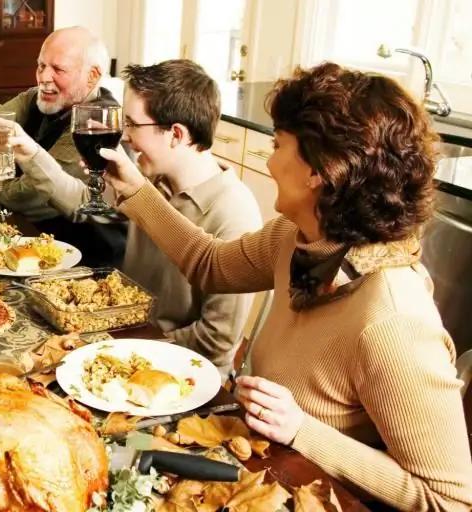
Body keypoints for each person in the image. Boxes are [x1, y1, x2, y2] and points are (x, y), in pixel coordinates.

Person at [99, 62, 472, 510]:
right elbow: (210, 263)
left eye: (277, 145)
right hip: (260, 472)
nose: (269, 161)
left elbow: (450, 499)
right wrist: (137, 191)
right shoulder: (299, 237)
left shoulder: (392, 320)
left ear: (319, 171)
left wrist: (303, 429)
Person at [0, 59, 262, 377]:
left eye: (133, 124)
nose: (124, 135)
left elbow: (214, 342)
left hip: (178, 374)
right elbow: (84, 203)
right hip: (122, 340)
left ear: (175, 134)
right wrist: (31, 155)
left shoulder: (233, 214)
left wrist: (121, 345)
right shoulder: (151, 181)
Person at [0, 26, 126, 266]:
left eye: (58, 69)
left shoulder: (96, 125)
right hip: (30, 239)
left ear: (92, 76)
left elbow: (31, 196)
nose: (43, 77)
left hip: (83, 260)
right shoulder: (36, 98)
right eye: (41, 66)